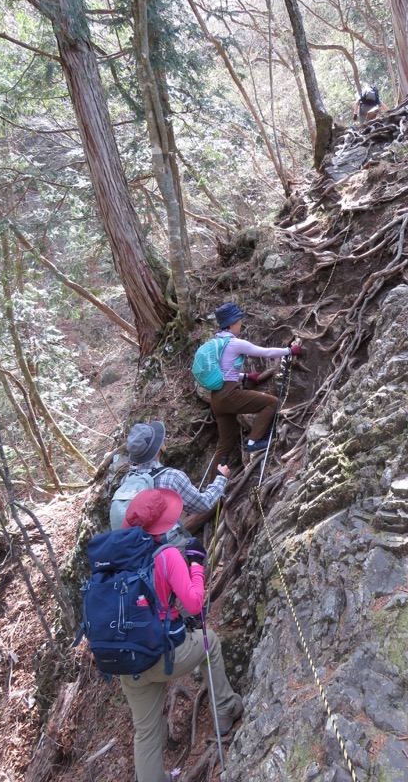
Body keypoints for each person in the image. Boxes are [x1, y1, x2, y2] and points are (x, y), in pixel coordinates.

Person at [120, 488, 243, 782]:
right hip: (162, 654)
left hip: (127, 662)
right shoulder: (167, 556)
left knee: (147, 732)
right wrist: (197, 566)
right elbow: (193, 603)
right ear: (163, 524)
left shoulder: (115, 562)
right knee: (210, 642)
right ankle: (225, 710)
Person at [208, 301, 302, 480]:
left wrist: (244, 377)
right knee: (271, 402)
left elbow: (222, 372)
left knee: (224, 445)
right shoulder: (234, 343)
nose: (241, 324)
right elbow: (264, 352)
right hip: (229, 395)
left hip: (217, 399)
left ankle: (211, 493)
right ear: (232, 323)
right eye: (239, 320)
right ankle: (254, 442)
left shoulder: (215, 344)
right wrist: (289, 351)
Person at [126, 420, 230, 520]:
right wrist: (221, 478)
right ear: (157, 447)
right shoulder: (172, 478)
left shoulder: (128, 479)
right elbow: (204, 504)